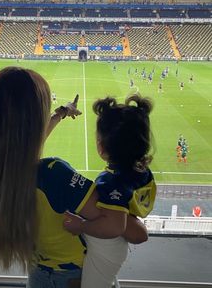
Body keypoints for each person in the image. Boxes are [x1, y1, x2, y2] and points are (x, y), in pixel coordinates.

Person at [0, 67, 147, 288]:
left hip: (38, 273)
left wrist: (61, 113)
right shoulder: (54, 175)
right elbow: (132, 232)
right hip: (74, 277)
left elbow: (19, 145)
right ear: (35, 119)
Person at [64, 95, 156, 288]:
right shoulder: (141, 170)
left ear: (102, 147)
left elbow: (114, 226)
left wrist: (80, 225)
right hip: (116, 247)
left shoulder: (109, 181)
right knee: (107, 281)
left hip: (107, 248)